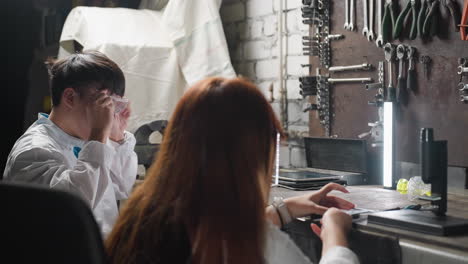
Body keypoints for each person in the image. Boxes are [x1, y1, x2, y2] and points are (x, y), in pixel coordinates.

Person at [105, 77, 360, 264]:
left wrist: (285, 209)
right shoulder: (254, 243)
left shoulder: (140, 218)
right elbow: (233, 236)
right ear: (253, 154)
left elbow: (210, 229)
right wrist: (334, 235)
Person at [3, 51, 138, 237]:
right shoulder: (33, 151)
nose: (109, 113)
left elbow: (120, 186)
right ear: (70, 98)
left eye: (114, 104)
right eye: (104, 103)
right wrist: (99, 136)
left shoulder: (90, 140)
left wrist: (117, 137)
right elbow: (68, 211)